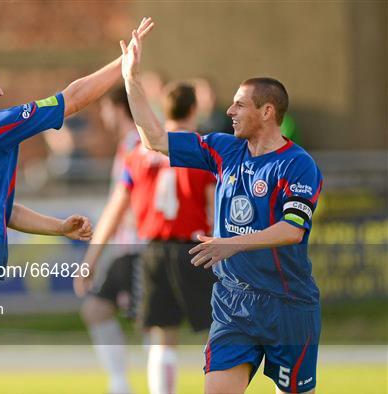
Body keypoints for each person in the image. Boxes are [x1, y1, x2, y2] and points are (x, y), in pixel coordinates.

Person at [0, 17, 154, 394]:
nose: (0, 90)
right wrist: (121, 68)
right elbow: (70, 99)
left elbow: (1, 210)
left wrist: (58, 227)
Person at [120, 30, 323, 394]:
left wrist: (233, 244)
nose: (229, 111)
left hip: (289, 307)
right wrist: (131, 80)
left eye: (239, 105)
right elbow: (155, 138)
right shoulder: (223, 150)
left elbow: (293, 229)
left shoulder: (298, 165)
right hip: (234, 304)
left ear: (267, 111)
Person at [76, 82, 217, 394]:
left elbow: (115, 208)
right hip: (198, 248)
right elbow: (213, 205)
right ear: (194, 110)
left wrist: (91, 259)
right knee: (220, 330)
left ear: (161, 112)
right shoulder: (203, 150)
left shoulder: (138, 152)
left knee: (162, 338)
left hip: (153, 250)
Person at [73, 86, 143, 394]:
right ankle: (120, 384)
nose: (103, 116)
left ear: (117, 109)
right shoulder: (131, 144)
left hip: (139, 247)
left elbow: (124, 204)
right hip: (125, 249)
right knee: (97, 309)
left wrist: (91, 257)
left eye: (104, 108)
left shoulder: (136, 145)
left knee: (151, 321)